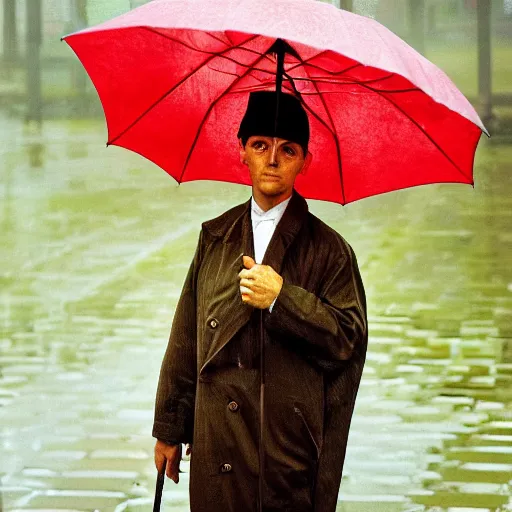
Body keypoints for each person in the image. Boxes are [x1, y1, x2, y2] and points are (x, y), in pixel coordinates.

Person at [153, 90, 368, 512]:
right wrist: (168, 429)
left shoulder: (330, 250)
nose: (272, 159)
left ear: (304, 160)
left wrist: (282, 298)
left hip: (285, 452)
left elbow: (348, 339)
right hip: (217, 446)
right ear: (242, 154)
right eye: (260, 146)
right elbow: (186, 337)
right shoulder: (214, 237)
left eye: (287, 149)